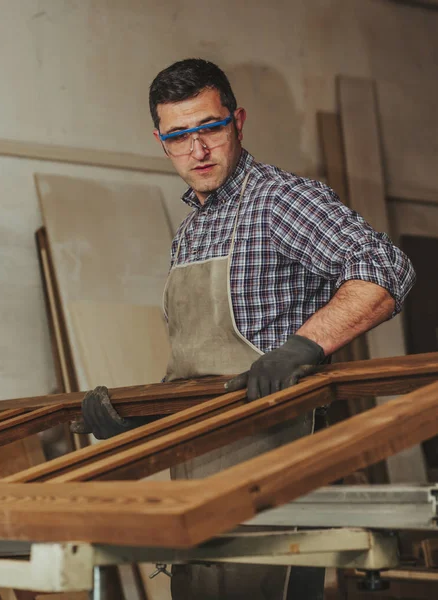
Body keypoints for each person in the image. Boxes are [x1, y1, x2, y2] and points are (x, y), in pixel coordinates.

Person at [72, 59, 415, 599]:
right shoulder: (190, 233)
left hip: (273, 470)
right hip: (197, 475)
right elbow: (199, 372)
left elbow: (385, 267)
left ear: (238, 122)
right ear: (161, 142)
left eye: (209, 127)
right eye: (179, 136)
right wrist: (139, 420)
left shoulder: (278, 200)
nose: (198, 150)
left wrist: (305, 345)